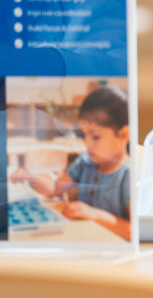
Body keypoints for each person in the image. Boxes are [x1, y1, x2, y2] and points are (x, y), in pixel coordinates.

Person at [11, 85, 131, 240]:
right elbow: (55, 188)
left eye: (95, 137)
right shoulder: (85, 163)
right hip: (80, 242)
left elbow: (134, 231)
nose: (87, 143)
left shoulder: (127, 175)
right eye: (84, 134)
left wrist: (95, 215)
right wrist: (31, 178)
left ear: (123, 134)